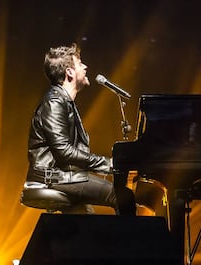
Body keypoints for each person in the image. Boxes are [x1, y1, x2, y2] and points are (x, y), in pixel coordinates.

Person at [23, 43, 136, 215]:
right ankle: (129, 242)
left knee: (86, 220)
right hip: (52, 177)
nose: (85, 66)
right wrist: (108, 164)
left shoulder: (64, 101)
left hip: (61, 175)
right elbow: (64, 151)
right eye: (80, 63)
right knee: (122, 196)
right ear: (69, 72)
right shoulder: (54, 102)